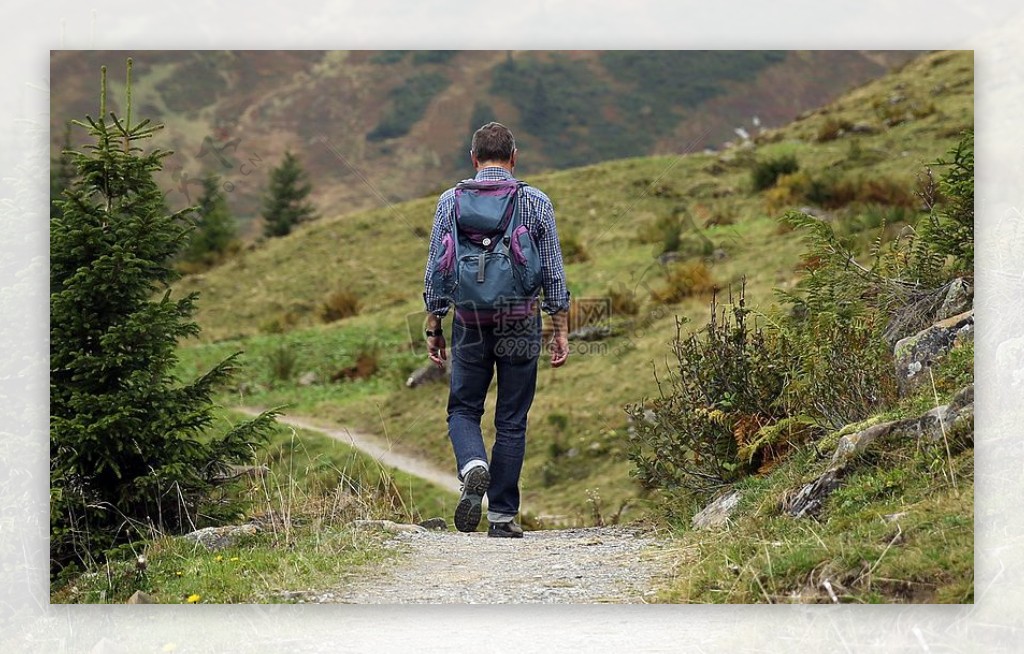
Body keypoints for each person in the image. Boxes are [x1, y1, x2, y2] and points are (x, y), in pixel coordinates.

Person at [422, 122, 570, 538]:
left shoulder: (450, 201)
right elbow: (554, 273)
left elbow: (437, 268)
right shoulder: (535, 201)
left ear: (473, 158)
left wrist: (435, 323)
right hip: (520, 318)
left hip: (468, 320)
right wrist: (559, 326)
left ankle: (473, 465)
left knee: (463, 408)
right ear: (513, 156)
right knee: (512, 419)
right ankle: (502, 517)